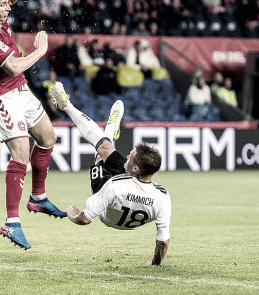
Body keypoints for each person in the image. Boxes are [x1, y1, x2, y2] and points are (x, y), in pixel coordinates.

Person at [0, 0, 65, 250]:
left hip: (19, 90)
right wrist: (40, 52)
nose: (8, 7)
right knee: (20, 154)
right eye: (2, 4)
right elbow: (12, 67)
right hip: (1, 95)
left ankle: (38, 197)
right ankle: (11, 222)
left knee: (48, 138)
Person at [50, 81, 171, 265]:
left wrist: (72, 216)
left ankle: (67, 106)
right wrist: (155, 264)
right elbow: (163, 241)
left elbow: (85, 219)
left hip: (107, 211)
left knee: (101, 153)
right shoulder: (163, 196)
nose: (127, 156)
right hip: (129, 213)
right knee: (106, 146)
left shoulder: (113, 186)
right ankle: (109, 127)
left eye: (130, 157)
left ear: (135, 169)